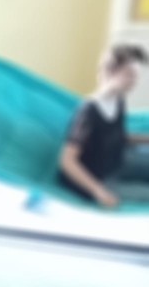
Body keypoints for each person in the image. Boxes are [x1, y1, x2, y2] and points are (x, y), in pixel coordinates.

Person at [58, 43, 149, 207]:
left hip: (117, 161)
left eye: (136, 76)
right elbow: (67, 161)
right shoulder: (88, 112)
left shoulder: (118, 100)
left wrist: (145, 139)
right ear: (109, 72)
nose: (135, 81)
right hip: (98, 179)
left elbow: (116, 137)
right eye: (130, 75)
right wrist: (98, 190)